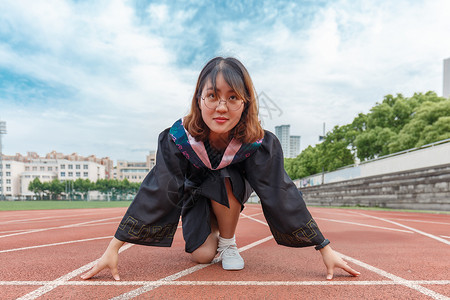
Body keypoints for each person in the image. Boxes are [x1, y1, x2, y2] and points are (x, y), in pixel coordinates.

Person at [81, 57, 360, 281]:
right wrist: (114, 247)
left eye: (233, 97)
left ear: (245, 102)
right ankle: (213, 228)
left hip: (230, 190)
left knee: (223, 175)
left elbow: (279, 190)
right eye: (212, 96)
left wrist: (323, 246)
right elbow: (161, 187)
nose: (221, 107)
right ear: (199, 99)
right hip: (195, 195)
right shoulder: (178, 138)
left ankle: (228, 242)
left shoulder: (256, 142)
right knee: (202, 255)